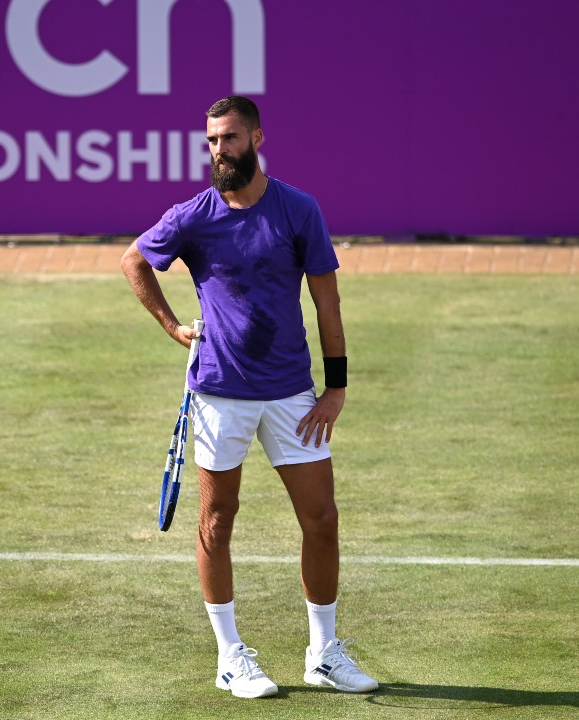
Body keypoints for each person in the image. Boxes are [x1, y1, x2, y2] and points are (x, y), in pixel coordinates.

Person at [120, 95, 377, 698]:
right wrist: (172, 325)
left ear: (257, 138)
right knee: (217, 518)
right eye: (211, 140)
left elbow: (328, 303)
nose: (219, 150)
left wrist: (335, 389)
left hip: (291, 394)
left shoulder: (298, 210)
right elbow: (135, 260)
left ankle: (323, 652)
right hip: (219, 394)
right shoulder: (194, 216)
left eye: (230, 138)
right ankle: (231, 655)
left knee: (321, 519)